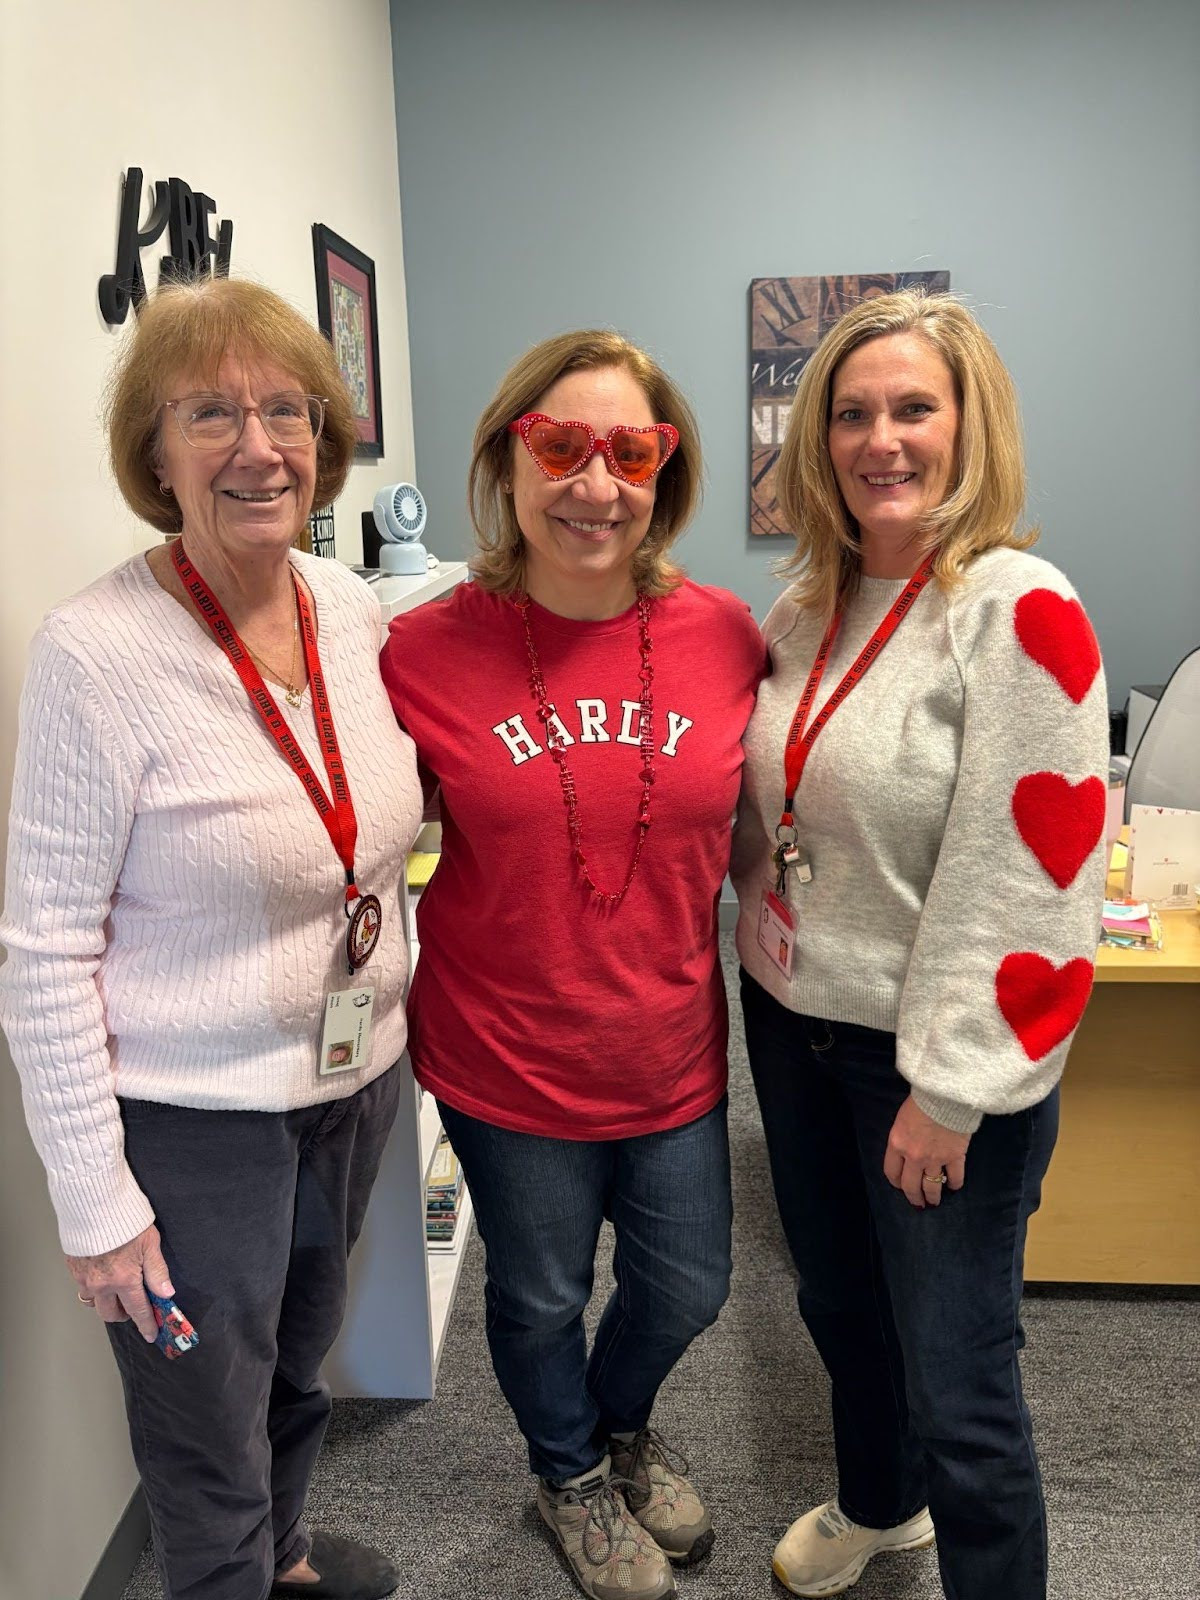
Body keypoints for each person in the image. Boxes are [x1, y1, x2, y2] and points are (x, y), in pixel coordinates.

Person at [0, 278, 423, 1600]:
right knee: (204, 1438)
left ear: (324, 437)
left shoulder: (348, 608)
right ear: (157, 455)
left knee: (300, 1366)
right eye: (210, 414)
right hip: (198, 1127)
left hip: (352, 1087)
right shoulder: (95, 652)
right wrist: (96, 1201)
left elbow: (368, 822)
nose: (258, 445)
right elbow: (43, 951)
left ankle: (283, 1562)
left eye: (285, 410)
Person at [729, 290, 1108, 1600]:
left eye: (913, 409)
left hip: (936, 1067)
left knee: (961, 1380)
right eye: (851, 412)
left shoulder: (1018, 611)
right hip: (791, 1025)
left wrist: (949, 1093)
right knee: (842, 1313)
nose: (879, 438)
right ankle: (883, 1510)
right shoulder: (799, 608)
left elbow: (1026, 882)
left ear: (969, 425)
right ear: (816, 435)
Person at [380, 330, 764, 1600]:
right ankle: (570, 1475)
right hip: (504, 1057)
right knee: (539, 1295)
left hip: (670, 1051)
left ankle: (617, 1427)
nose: (594, 480)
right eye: (560, 444)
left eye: (630, 449)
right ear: (508, 455)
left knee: (690, 1286)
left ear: (666, 472)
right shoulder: (426, 650)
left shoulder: (722, 636)